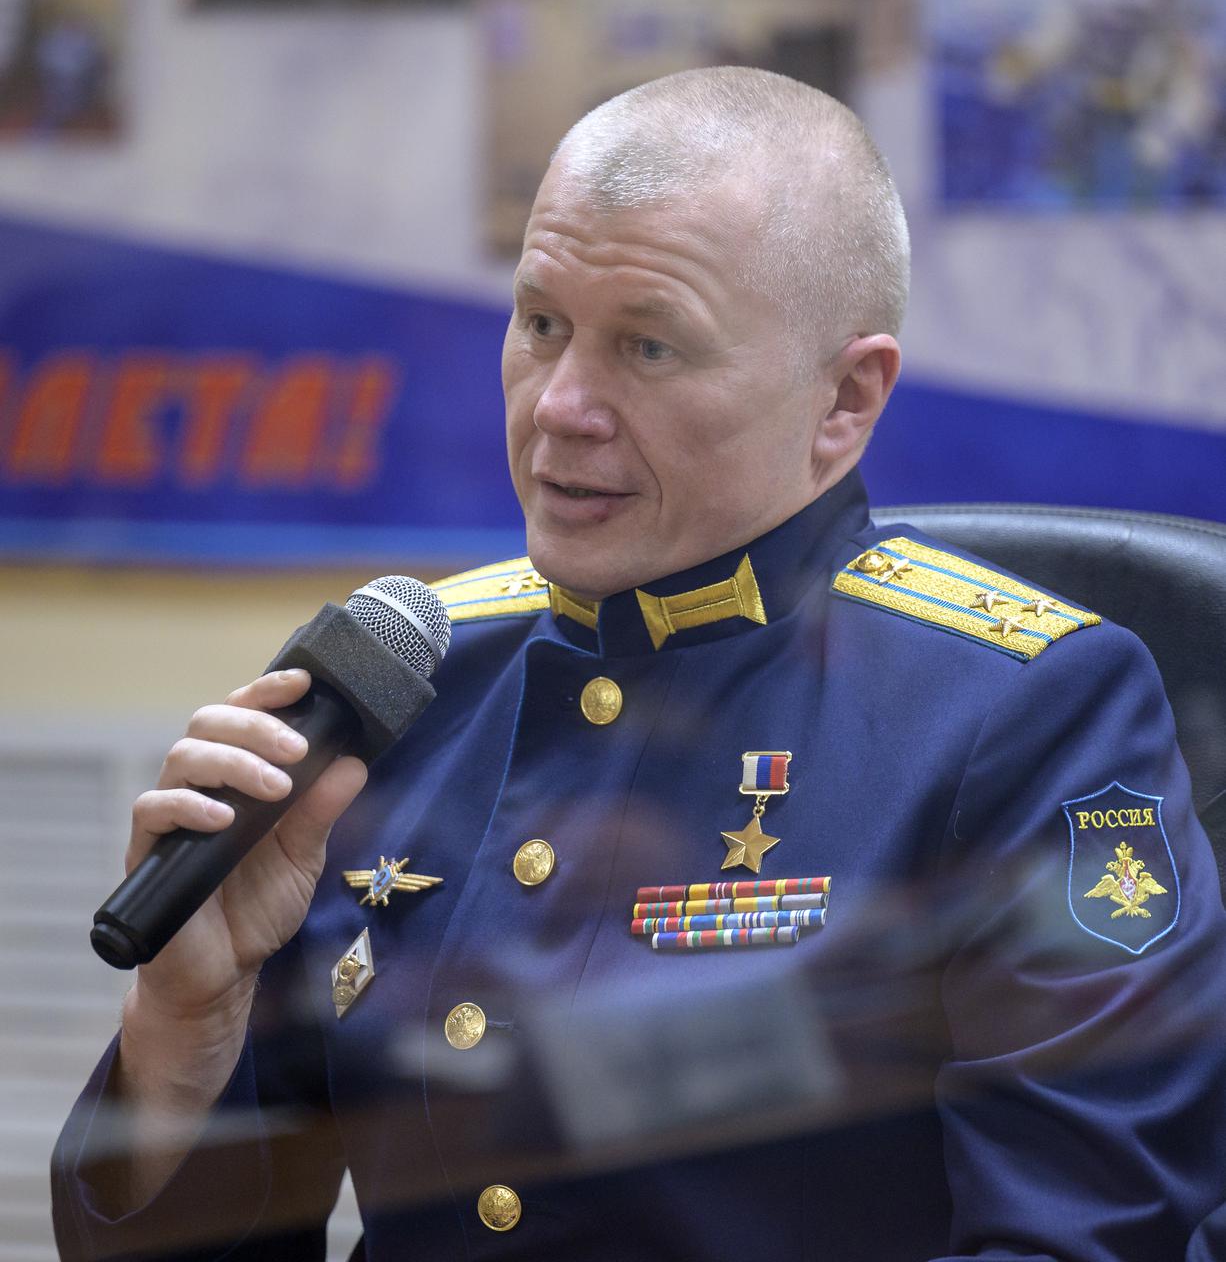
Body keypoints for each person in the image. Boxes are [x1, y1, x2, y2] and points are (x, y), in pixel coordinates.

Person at [53, 66, 1226, 1261]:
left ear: (845, 398)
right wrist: (187, 1016)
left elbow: (1081, 1237)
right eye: (540, 322)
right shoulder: (400, 678)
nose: (561, 404)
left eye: (649, 348)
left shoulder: (1023, 709)